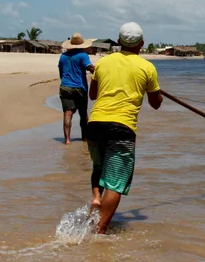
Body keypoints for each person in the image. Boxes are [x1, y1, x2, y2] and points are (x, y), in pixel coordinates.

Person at [87, 22, 163, 234]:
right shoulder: (147, 67)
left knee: (99, 168)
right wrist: (157, 92)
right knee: (115, 183)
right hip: (122, 127)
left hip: (94, 124)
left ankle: (95, 200)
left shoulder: (103, 63)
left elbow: (92, 95)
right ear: (142, 44)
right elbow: (155, 104)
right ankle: (99, 232)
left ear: (119, 42)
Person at [58, 33, 95, 144]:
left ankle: (67, 140)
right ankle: (85, 138)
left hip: (65, 87)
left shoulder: (63, 56)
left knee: (67, 113)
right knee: (83, 114)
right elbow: (91, 68)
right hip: (80, 88)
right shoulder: (83, 56)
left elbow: (61, 73)